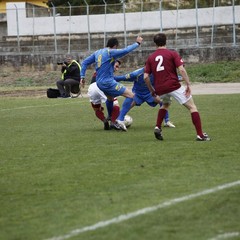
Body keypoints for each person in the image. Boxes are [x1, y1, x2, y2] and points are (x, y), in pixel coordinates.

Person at [144, 33, 210, 141]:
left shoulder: (150, 58)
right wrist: (188, 84)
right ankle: (200, 135)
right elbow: (182, 69)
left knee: (165, 104)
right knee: (192, 107)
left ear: (155, 43)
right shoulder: (172, 53)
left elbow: (145, 77)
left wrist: (152, 90)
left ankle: (157, 127)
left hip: (160, 89)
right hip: (173, 86)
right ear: (166, 41)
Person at [80, 36, 143, 130]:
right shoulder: (110, 52)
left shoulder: (98, 52)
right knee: (132, 96)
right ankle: (120, 119)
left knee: (110, 99)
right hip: (108, 82)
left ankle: (110, 118)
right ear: (115, 46)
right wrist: (137, 43)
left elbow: (84, 62)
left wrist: (82, 76)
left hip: (99, 83)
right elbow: (125, 51)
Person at [114, 67, 175, 131]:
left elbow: (169, 78)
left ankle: (167, 121)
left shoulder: (157, 73)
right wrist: (108, 78)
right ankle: (118, 121)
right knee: (129, 100)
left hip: (150, 94)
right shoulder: (136, 74)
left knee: (162, 101)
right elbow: (122, 78)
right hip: (137, 94)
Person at [87, 60, 122, 130]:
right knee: (115, 105)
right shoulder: (108, 70)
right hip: (101, 86)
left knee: (96, 109)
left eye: (118, 67)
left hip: (91, 88)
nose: (117, 69)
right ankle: (113, 122)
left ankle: (104, 120)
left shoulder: (101, 68)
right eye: (116, 66)